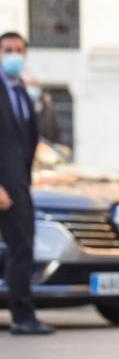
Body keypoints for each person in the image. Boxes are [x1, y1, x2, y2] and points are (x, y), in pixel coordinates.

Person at [0, 31, 55, 335]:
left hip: (19, 184)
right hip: (3, 187)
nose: (13, 56)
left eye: (18, 51)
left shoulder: (22, 91)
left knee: (22, 248)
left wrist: (39, 99)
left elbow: (37, 137)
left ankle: (23, 316)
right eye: (7, 50)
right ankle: (23, 318)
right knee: (20, 249)